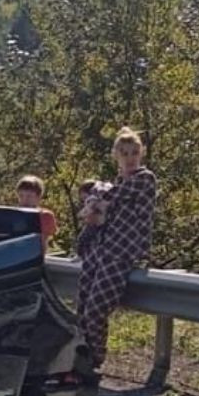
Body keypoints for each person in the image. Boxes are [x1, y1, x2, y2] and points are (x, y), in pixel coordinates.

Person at [75, 127, 158, 382]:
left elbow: (109, 196)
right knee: (81, 306)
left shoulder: (145, 178)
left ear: (141, 153)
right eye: (124, 153)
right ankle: (79, 360)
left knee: (96, 309)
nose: (130, 157)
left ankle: (95, 359)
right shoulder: (117, 181)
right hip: (100, 249)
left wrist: (95, 197)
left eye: (134, 152)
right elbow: (97, 211)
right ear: (116, 155)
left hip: (121, 252)